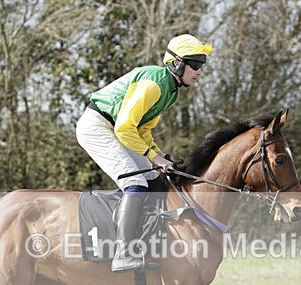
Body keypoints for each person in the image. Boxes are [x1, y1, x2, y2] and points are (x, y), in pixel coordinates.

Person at [76, 34, 212, 272]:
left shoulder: (171, 90)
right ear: (176, 64)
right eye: (195, 64)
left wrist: (160, 156)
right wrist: (154, 156)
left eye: (202, 65)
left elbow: (143, 130)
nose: (199, 71)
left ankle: (145, 243)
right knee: (136, 181)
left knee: (156, 178)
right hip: (97, 126)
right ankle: (122, 253)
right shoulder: (154, 84)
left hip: (118, 129)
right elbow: (125, 128)